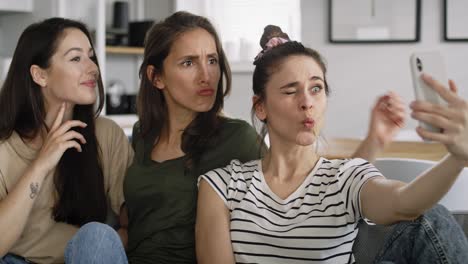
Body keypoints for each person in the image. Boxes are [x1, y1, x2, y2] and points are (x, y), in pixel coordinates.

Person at [123, 12, 405, 263]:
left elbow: (310, 191)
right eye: (188, 63)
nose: (206, 75)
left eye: (212, 60)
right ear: (156, 76)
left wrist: (373, 143)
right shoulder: (142, 134)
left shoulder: (235, 138)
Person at [196, 25, 468, 264]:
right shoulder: (221, 186)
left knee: (433, 216)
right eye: (290, 91)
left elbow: (403, 202)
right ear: (261, 107)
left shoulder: (347, 176)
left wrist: (457, 158)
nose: (307, 102)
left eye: (316, 88)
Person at [0, 18, 133, 264]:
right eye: (76, 58)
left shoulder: (106, 135)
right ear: (40, 75)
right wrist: (41, 165)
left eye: (91, 56)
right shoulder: (4, 145)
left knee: (97, 236)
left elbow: (133, 222)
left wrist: (107, 247)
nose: (93, 68)